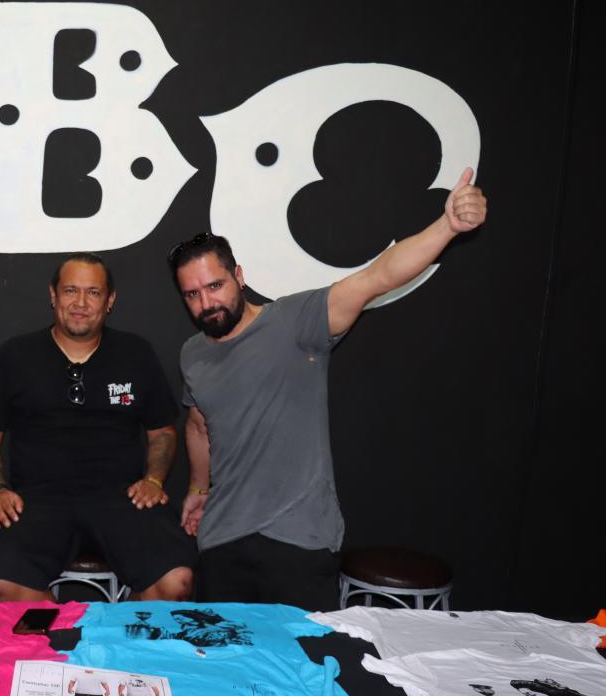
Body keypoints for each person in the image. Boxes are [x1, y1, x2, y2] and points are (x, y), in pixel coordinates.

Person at [169, 167, 487, 610]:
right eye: (192, 294)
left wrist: (447, 226)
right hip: (222, 539)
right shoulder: (192, 354)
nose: (207, 303)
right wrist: (198, 489)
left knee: (302, 654)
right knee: (222, 653)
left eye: (215, 286)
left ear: (239, 275)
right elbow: (199, 424)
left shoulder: (296, 321)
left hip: (299, 539)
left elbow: (377, 277)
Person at [0, 253, 195, 602]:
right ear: (53, 295)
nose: (80, 303)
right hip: (37, 501)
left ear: (110, 300)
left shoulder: (136, 353)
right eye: (70, 290)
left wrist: (153, 481)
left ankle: (121, 634)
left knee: (176, 579)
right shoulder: (16, 355)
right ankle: (64, 634)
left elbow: (163, 432)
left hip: (123, 498)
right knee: (3, 580)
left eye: (93, 292)